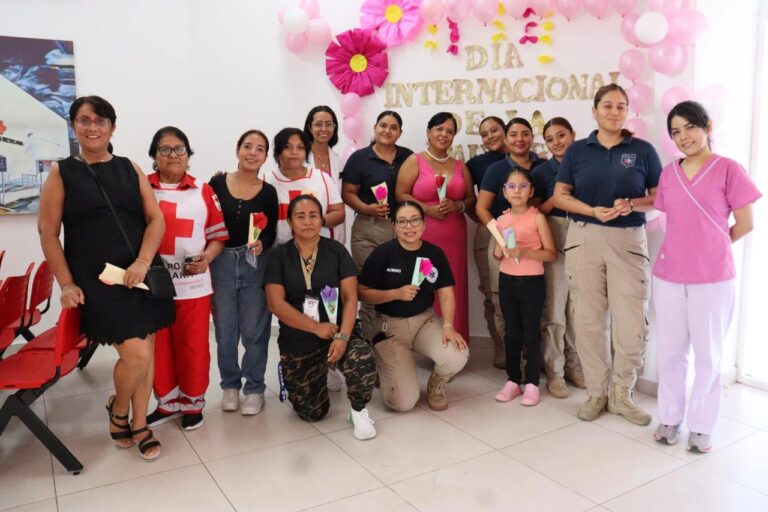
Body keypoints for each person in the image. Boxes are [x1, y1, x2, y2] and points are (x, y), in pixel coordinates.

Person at [38, 95, 173, 461]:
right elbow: (48, 232)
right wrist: (66, 283)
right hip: (96, 281)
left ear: (112, 127)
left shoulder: (130, 168)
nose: (92, 127)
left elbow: (155, 218)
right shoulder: (62, 172)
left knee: (145, 351)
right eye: (84, 120)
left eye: (100, 121)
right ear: (73, 126)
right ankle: (118, 409)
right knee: (137, 351)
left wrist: (144, 262)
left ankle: (140, 422)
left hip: (139, 273)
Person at [652, 101, 761, 452]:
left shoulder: (729, 169)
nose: (683, 137)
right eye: (675, 132)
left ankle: (701, 426)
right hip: (669, 275)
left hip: (713, 278)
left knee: (709, 355)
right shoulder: (669, 173)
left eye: (689, 127)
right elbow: (672, 215)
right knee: (670, 351)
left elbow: (746, 223)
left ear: (707, 125)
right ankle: (668, 419)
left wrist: (713, 248)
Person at [553, 84, 662, 425]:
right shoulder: (577, 151)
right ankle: (597, 393)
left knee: (631, 321)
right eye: (607, 105)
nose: (614, 112)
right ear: (595, 110)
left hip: (628, 240)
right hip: (584, 238)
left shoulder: (643, 150)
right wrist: (591, 210)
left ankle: (622, 394)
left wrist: (631, 203)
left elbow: (660, 197)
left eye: (621, 106)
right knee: (587, 320)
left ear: (627, 112)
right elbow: (560, 196)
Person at [264, 195, 377, 440]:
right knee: (311, 413)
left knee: (362, 359)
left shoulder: (336, 250)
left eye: (313, 215)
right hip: (299, 339)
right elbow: (275, 303)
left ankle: (358, 411)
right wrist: (315, 327)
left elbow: (350, 298)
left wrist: (343, 337)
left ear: (322, 220)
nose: (307, 222)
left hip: (338, 330)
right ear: (290, 221)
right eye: (300, 216)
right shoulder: (278, 257)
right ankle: (322, 369)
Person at [144, 127, 228, 431]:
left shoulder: (203, 190)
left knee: (193, 346)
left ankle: (193, 403)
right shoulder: (141, 188)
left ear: (188, 155)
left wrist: (207, 257)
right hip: (152, 286)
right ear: (154, 155)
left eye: (179, 149)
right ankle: (167, 402)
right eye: (164, 149)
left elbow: (218, 236)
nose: (173, 155)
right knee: (159, 346)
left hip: (193, 286)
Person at [359, 201, 469, 412]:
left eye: (414, 220)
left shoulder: (434, 253)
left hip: (424, 322)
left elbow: (446, 293)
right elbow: (361, 293)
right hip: (390, 327)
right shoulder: (383, 253)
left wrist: (448, 325)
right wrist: (395, 294)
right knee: (403, 403)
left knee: (458, 354)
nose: (409, 227)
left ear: (424, 224)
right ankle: (382, 371)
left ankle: (437, 385)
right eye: (402, 222)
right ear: (394, 226)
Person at [208, 130, 278, 415]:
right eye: (247, 146)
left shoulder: (269, 191)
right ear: (237, 150)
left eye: (259, 149)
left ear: (265, 156)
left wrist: (263, 244)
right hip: (221, 261)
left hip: (254, 264)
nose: (252, 152)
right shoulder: (215, 183)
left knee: (255, 329)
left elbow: (271, 230)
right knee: (225, 330)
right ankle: (229, 386)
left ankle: (255, 388)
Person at [395, 112, 475, 342]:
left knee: (453, 285)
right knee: (425, 285)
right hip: (424, 234)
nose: (444, 134)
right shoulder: (415, 161)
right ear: (429, 132)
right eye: (439, 129)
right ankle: (425, 342)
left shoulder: (460, 166)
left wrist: (458, 205)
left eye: (450, 131)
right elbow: (400, 194)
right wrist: (426, 209)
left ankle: (454, 342)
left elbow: (471, 199)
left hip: (454, 235)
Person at [475, 117, 546, 367]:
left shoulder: (542, 166)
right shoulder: (496, 169)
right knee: (498, 296)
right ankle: (505, 349)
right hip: (499, 239)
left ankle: (531, 352)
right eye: (513, 134)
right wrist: (499, 237)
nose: (519, 139)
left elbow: (542, 206)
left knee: (531, 297)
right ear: (507, 139)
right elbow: (481, 208)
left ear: (532, 137)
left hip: (533, 243)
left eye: (525, 133)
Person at [342, 110, 413, 340]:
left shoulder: (408, 157)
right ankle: (370, 341)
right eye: (383, 125)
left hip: (402, 229)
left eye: (393, 127)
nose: (387, 130)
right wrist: (367, 208)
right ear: (374, 127)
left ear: (400, 133)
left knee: (398, 282)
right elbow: (348, 193)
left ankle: (395, 340)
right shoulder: (359, 158)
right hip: (368, 227)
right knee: (369, 284)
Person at [531, 117, 585, 398]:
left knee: (578, 310)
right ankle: (555, 371)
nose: (557, 142)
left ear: (573, 134)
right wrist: (559, 195)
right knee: (554, 311)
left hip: (585, 236)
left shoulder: (588, 163)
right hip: (554, 235)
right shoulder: (541, 172)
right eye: (550, 139)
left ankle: (576, 366)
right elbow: (536, 210)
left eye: (561, 135)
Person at [493, 169, 556, 406]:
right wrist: (498, 252)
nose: (517, 191)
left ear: (531, 190)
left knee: (531, 333)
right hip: (507, 280)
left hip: (532, 281)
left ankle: (531, 383)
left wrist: (526, 252)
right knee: (511, 332)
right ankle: (512, 380)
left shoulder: (537, 217)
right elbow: (497, 253)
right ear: (504, 192)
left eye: (522, 186)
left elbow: (550, 254)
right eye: (511, 186)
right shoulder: (501, 220)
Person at [466, 116, 507, 369]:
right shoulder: (475, 164)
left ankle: (527, 349)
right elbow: (470, 202)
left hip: (523, 234)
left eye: (494, 130)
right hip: (489, 232)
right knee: (492, 294)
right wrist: (486, 223)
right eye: (484, 133)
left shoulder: (525, 158)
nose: (490, 136)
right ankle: (501, 347)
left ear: (505, 131)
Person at [262, 128, 345, 246]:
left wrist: (316, 222)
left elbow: (339, 213)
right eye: (287, 147)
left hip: (318, 249)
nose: (294, 152)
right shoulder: (266, 180)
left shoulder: (322, 178)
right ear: (277, 152)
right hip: (279, 252)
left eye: (300, 147)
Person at [304, 105, 346, 243]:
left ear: (334, 128)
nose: (324, 129)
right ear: (310, 128)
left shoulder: (338, 160)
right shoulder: (300, 159)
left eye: (329, 124)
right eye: (318, 124)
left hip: (334, 229)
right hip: (306, 228)